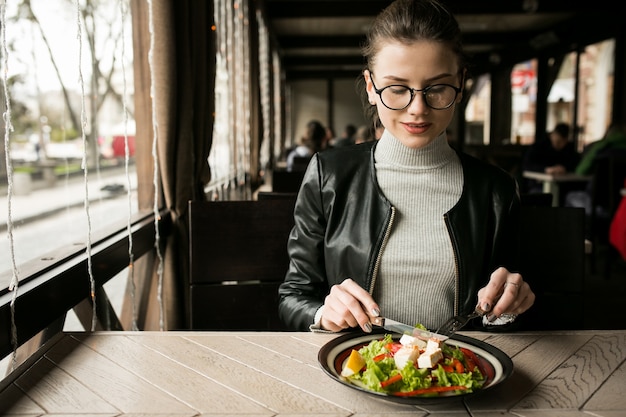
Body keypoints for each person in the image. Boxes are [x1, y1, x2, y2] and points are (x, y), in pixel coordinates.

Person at [278, 0, 535, 333]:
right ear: (371, 87)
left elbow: (498, 317)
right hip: (353, 369)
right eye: (397, 89)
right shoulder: (329, 175)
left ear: (460, 84)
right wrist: (323, 313)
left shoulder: (496, 190)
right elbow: (293, 296)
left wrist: (509, 305)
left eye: (438, 88)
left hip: (454, 377)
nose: (418, 108)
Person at [522, 122, 580, 193]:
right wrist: (545, 169)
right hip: (537, 184)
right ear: (553, 134)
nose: (559, 145)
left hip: (561, 185)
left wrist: (564, 168)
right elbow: (527, 165)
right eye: (557, 142)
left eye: (562, 142)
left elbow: (575, 162)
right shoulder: (539, 146)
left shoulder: (568, 148)